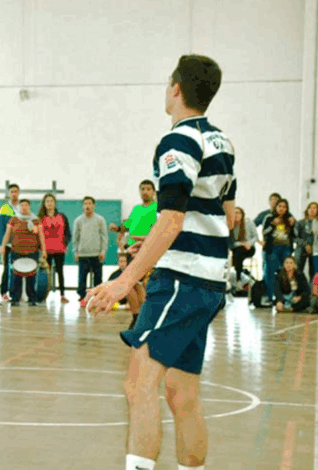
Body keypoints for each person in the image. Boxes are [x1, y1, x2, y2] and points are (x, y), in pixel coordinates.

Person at [87, 54, 234, 470]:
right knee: (181, 392)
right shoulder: (223, 142)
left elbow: (171, 219)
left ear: (176, 89)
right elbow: (228, 214)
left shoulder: (179, 141)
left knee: (140, 382)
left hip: (182, 279)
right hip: (209, 280)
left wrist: (123, 281)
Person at [0, 199, 47, 306]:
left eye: (26, 205)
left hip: (32, 252)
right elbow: (7, 234)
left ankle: (32, 299)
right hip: (16, 251)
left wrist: (44, 250)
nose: (24, 207)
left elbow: (41, 236)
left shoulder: (36, 220)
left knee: (31, 277)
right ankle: (15, 299)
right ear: (20, 207)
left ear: (29, 207)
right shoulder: (13, 220)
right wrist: (3, 246)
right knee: (16, 276)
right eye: (22, 205)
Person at [73, 196, 108, 307]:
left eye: (89, 203)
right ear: (83, 206)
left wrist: (103, 251)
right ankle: (83, 298)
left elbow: (104, 237)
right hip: (83, 254)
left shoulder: (100, 220)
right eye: (85, 203)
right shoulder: (78, 221)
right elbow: (75, 238)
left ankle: (97, 299)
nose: (87, 206)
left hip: (96, 254)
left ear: (93, 205)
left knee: (98, 279)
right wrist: (75, 252)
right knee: (82, 278)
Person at [39, 193, 72, 302]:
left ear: (54, 203)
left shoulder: (62, 217)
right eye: (47, 201)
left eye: (51, 201)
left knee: (60, 272)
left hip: (59, 250)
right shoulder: (41, 218)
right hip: (46, 251)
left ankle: (62, 295)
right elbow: (38, 235)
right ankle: (44, 295)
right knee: (45, 274)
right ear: (44, 204)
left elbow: (68, 233)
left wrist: (65, 244)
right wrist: (41, 249)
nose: (49, 203)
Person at [261, 199, 295, 304]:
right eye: (280, 206)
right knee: (271, 272)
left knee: (286, 272)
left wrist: (293, 224)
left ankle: (285, 297)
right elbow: (264, 232)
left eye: (284, 207)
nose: (282, 209)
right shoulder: (269, 217)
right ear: (276, 207)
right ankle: (270, 297)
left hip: (286, 248)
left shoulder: (289, 218)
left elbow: (295, 233)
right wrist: (272, 225)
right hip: (273, 248)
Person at [110, 180, 158, 251]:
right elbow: (127, 226)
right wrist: (117, 228)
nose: (145, 192)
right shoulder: (136, 208)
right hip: (132, 248)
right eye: (142, 189)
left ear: (154, 192)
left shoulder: (157, 208)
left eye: (148, 189)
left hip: (148, 248)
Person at [0, 183, 20, 301]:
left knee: (17, 269)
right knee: (7, 268)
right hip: (7, 244)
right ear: (9, 194)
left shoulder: (22, 207)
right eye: (12, 191)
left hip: (19, 244)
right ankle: (3, 292)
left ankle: (15, 293)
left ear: (19, 193)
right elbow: (1, 227)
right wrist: (1, 245)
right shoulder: (5, 208)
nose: (14, 194)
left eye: (16, 191)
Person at [229, 207, 257, 288]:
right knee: (238, 253)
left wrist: (249, 243)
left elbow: (255, 236)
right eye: (234, 213)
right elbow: (231, 243)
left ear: (242, 214)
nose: (236, 215)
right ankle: (241, 278)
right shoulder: (230, 225)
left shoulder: (248, 222)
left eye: (238, 212)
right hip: (237, 248)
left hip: (249, 248)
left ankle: (239, 279)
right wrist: (242, 244)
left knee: (237, 256)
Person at [293, 202, 318, 279]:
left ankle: (313, 288)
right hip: (301, 248)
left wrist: (312, 245)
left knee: (314, 271)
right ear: (307, 210)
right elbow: (295, 237)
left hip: (315, 249)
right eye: (310, 208)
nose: (312, 210)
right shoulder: (300, 223)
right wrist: (305, 244)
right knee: (298, 270)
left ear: (317, 210)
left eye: (314, 208)